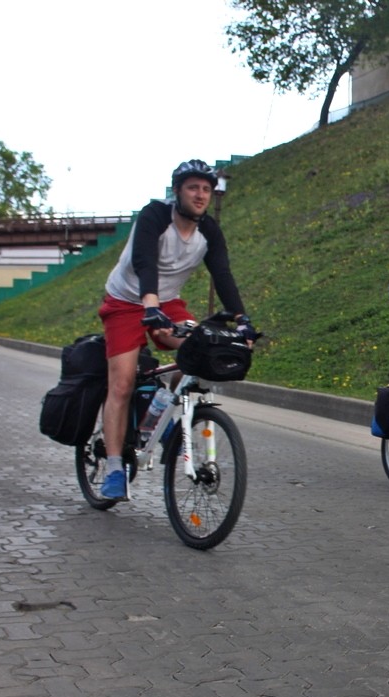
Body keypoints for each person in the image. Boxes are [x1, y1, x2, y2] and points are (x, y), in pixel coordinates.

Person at [97, 159, 257, 501]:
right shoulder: (155, 215)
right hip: (126, 301)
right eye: (193, 188)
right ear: (178, 191)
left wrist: (242, 319)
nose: (200, 195)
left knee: (197, 352)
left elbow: (223, 275)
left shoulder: (208, 231)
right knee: (122, 383)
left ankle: (159, 412)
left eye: (206, 189)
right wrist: (149, 305)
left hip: (167, 302)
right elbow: (144, 262)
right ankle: (113, 468)